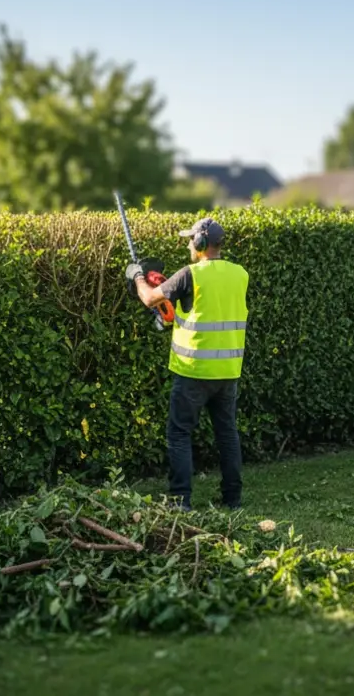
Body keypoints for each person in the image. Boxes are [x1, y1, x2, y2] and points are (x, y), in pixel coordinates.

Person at [130, 217, 249, 511]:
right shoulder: (240, 274)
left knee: (179, 433)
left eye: (190, 240)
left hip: (193, 369)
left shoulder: (189, 275)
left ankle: (180, 500)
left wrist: (136, 276)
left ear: (200, 244)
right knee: (227, 433)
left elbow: (148, 298)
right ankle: (232, 499)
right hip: (228, 371)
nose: (187, 244)